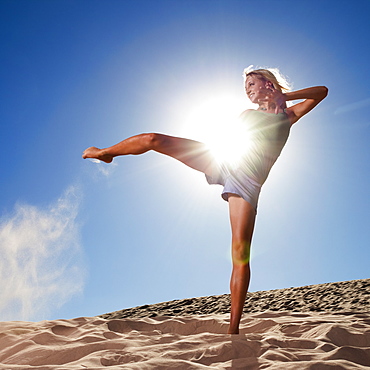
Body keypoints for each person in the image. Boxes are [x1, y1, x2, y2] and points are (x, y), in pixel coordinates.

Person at [82, 67, 328, 334]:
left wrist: (285, 94)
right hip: (222, 159)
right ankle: (106, 153)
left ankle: (233, 329)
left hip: (246, 182)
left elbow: (321, 92)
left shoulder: (288, 115)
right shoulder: (247, 114)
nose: (247, 89)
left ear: (268, 84)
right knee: (155, 139)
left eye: (251, 83)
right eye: (245, 86)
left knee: (240, 254)